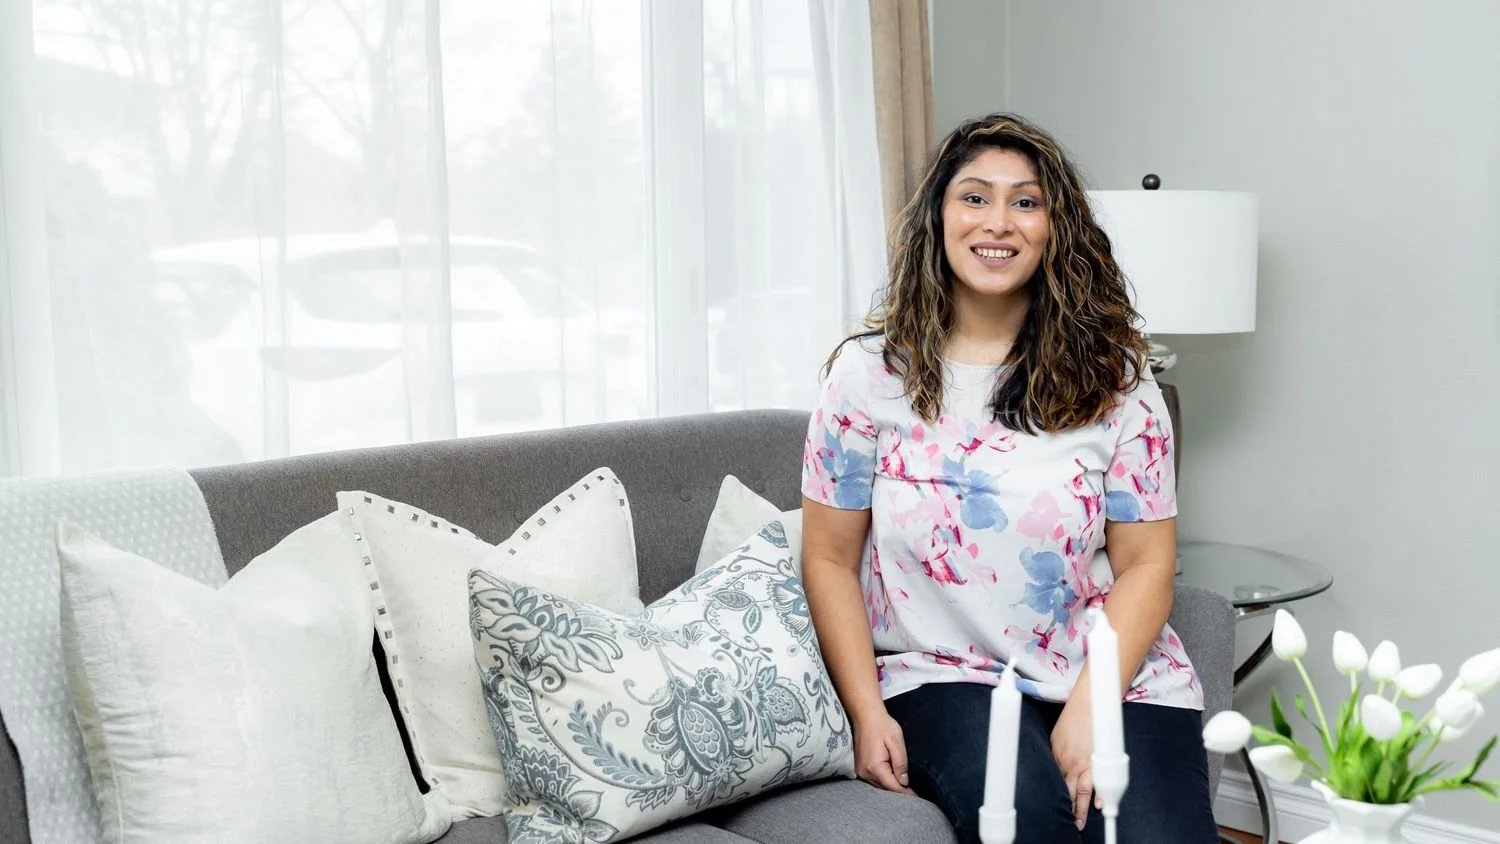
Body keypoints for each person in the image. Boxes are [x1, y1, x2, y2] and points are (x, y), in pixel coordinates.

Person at [799, 113, 1218, 844]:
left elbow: (1148, 563)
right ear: (938, 216)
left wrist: (1091, 704)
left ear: (1057, 227)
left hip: (1110, 669)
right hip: (943, 675)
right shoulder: (867, 376)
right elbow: (829, 556)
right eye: (975, 197)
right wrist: (866, 713)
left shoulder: (1119, 381)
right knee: (1030, 824)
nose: (999, 222)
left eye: (1026, 201)